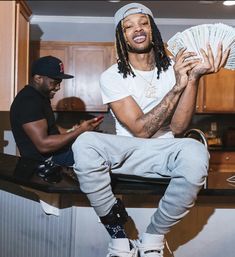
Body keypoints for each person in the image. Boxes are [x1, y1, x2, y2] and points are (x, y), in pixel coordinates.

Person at [72, 3, 231, 257]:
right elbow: (141, 130)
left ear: (152, 28)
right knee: (84, 142)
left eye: (143, 23)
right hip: (127, 153)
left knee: (195, 150)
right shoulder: (112, 76)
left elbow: (178, 127)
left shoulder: (173, 69)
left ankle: (153, 237)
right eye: (129, 26)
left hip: (165, 153)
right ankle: (118, 235)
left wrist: (192, 78)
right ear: (121, 36)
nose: (138, 29)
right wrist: (177, 87)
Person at [10, 55, 103, 167]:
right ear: (38, 78)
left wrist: (75, 129)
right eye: (54, 82)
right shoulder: (28, 101)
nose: (58, 87)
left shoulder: (41, 97)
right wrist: (79, 131)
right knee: (100, 156)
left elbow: (50, 128)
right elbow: (43, 145)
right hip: (44, 164)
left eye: (60, 82)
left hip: (54, 158)